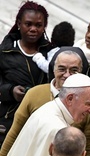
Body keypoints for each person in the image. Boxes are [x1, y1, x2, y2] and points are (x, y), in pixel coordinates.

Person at [0, 48, 90, 156]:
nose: (67, 75)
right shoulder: (34, 94)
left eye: (74, 70)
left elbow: (89, 147)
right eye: (62, 69)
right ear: (53, 70)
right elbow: (13, 134)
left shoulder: (87, 103)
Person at [0, 1, 53, 144]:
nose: (33, 29)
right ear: (19, 24)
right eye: (28, 24)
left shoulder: (51, 54)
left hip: (38, 124)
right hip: (8, 121)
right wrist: (11, 91)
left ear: (44, 27)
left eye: (38, 25)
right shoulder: (5, 52)